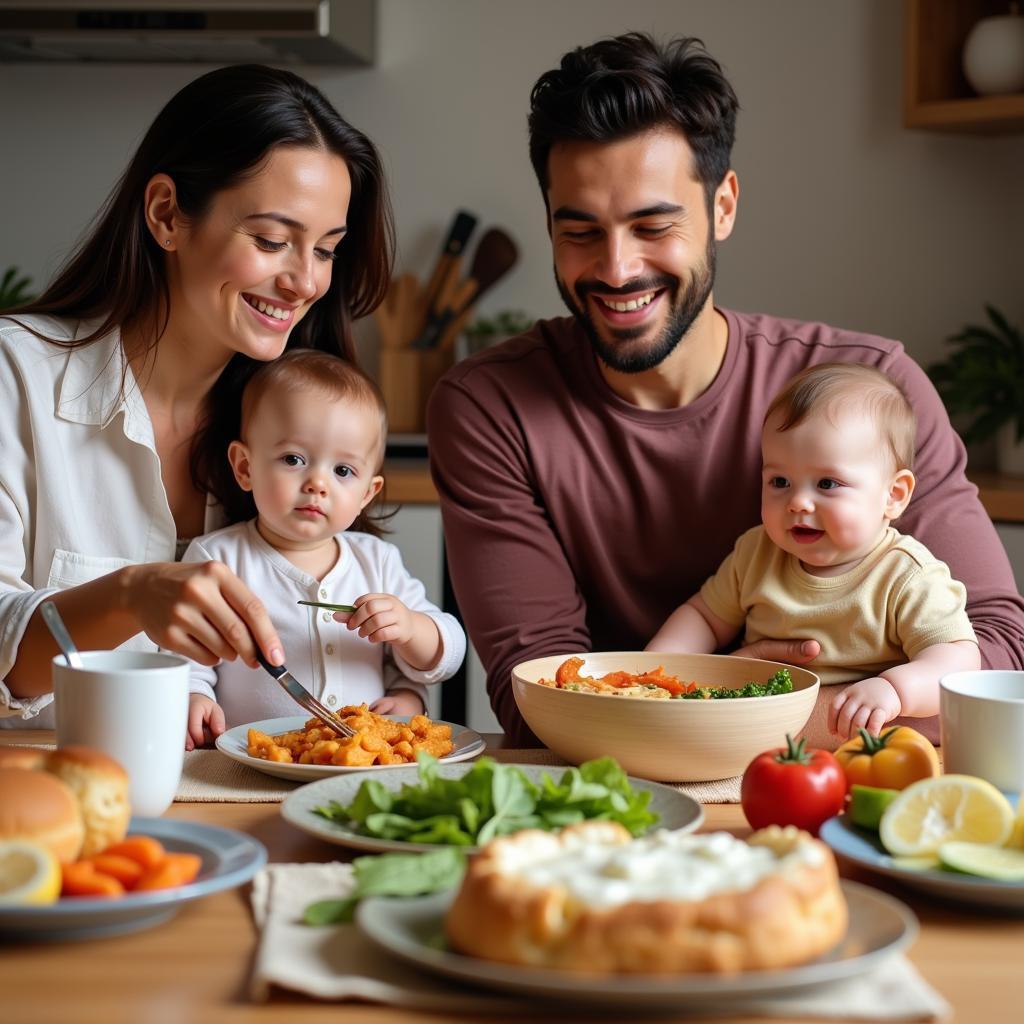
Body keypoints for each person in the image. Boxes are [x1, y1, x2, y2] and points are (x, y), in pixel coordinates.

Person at [426, 32, 1024, 748]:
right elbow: (538, 698)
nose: (616, 268)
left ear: (723, 206)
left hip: (841, 795)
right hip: (617, 809)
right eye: (580, 231)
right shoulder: (490, 409)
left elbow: (1000, 662)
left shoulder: (875, 389)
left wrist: (730, 701)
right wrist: (733, 692)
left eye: (653, 225)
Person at [0, 64, 394, 730]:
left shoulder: (298, 421)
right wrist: (131, 595)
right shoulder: (18, 375)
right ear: (166, 216)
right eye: (272, 241)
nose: (304, 281)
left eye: (325, 249)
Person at [646, 363, 980, 741]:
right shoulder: (757, 552)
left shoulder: (906, 575)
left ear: (894, 495)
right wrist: (661, 665)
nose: (798, 502)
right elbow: (704, 616)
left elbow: (957, 661)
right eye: (779, 481)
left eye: (827, 483)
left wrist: (895, 690)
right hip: (749, 740)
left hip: (853, 751)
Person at [182, 351, 466, 749]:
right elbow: (186, 659)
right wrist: (194, 697)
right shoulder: (217, 559)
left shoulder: (377, 561)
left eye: (343, 471)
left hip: (361, 761)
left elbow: (447, 650)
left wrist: (409, 657)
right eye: (293, 459)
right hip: (253, 760)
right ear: (245, 467)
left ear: (368, 493)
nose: (318, 483)